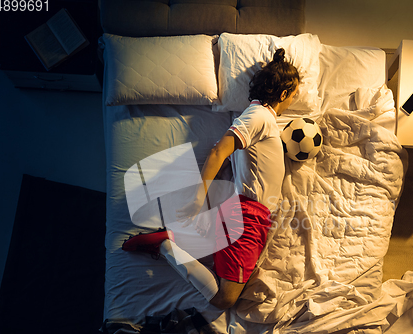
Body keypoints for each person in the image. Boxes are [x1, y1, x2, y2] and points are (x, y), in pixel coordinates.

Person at [122, 48, 300, 309]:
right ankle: (165, 246)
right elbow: (219, 151)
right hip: (248, 216)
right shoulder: (259, 115)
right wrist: (198, 198)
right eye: (293, 96)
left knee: (225, 271)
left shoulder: (260, 120)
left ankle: (178, 239)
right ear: (283, 94)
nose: (293, 102)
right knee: (224, 300)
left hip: (250, 216)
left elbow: (233, 156)